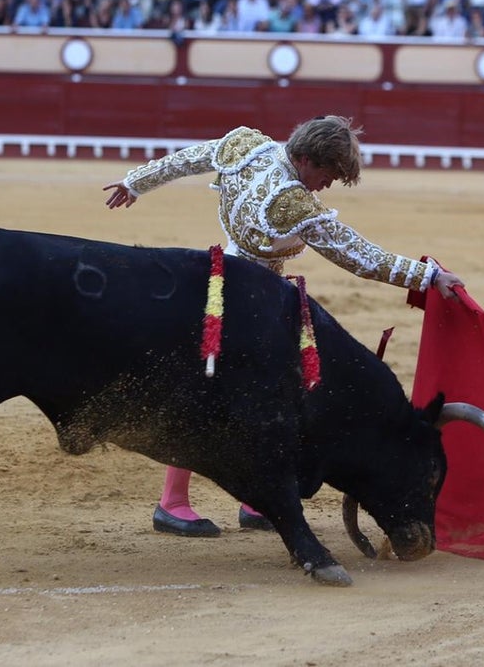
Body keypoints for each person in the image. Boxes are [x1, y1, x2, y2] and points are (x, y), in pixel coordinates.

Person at [102, 116, 465, 537]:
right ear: (307, 158)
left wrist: (136, 183)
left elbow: (189, 158)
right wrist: (426, 277)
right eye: (327, 174)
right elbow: (358, 255)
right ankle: (174, 502)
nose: (325, 186)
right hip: (250, 305)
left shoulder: (247, 147)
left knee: (252, 392)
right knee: (222, 395)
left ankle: (251, 500)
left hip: (222, 282)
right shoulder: (291, 203)